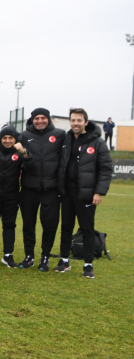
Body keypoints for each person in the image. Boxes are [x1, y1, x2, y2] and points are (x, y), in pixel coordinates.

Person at [55, 108, 113, 279]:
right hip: (67, 193)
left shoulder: (97, 142)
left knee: (87, 229)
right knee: (66, 228)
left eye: (79, 120)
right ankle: (64, 261)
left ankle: (88, 265)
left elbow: (106, 169)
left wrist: (99, 192)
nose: (75, 123)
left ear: (86, 122)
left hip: (86, 195)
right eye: (73, 120)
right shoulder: (66, 140)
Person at [18, 108, 66, 270]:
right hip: (28, 189)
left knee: (50, 225)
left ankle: (45, 257)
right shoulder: (24, 136)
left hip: (51, 189)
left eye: (43, 118)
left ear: (49, 119)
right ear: (32, 120)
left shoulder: (59, 135)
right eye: (36, 118)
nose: (40, 121)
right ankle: (29, 256)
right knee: (28, 224)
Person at [0, 125, 27, 267]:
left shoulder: (20, 151)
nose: (7, 140)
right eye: (4, 138)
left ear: (15, 139)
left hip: (12, 195)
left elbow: (31, 166)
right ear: (0, 138)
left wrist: (25, 153)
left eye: (10, 138)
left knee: (9, 225)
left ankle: (8, 255)